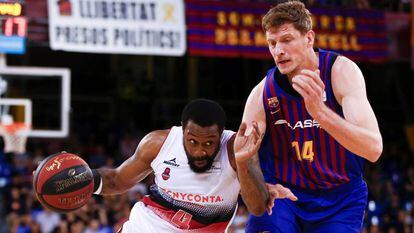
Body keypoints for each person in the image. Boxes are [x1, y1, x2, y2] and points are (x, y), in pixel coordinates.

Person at [234, 1, 383, 233]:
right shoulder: (261, 94)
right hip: (285, 195)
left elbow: (373, 149)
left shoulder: (341, 72)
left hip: (340, 199)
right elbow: (244, 162)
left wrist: (320, 113)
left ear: (309, 38)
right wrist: (257, 180)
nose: (278, 50)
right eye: (272, 43)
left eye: (286, 40)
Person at [91, 99, 297, 233]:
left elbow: (257, 207)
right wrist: (84, 178)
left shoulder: (236, 148)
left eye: (209, 143)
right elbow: (116, 180)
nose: (200, 151)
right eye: (192, 142)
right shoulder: (158, 144)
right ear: (182, 131)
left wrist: (243, 163)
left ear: (221, 135)